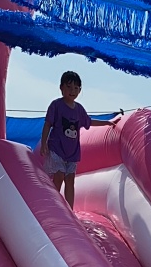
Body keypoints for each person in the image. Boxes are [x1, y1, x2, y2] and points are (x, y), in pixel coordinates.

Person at [40, 71, 116, 208]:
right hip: (57, 148)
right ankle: (53, 205)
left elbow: (89, 122)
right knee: (59, 175)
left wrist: (107, 123)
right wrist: (44, 142)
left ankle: (70, 210)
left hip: (72, 153)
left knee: (70, 180)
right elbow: (48, 124)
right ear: (61, 88)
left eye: (76, 88)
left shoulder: (79, 109)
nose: (72, 91)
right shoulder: (56, 105)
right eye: (69, 87)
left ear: (80, 90)